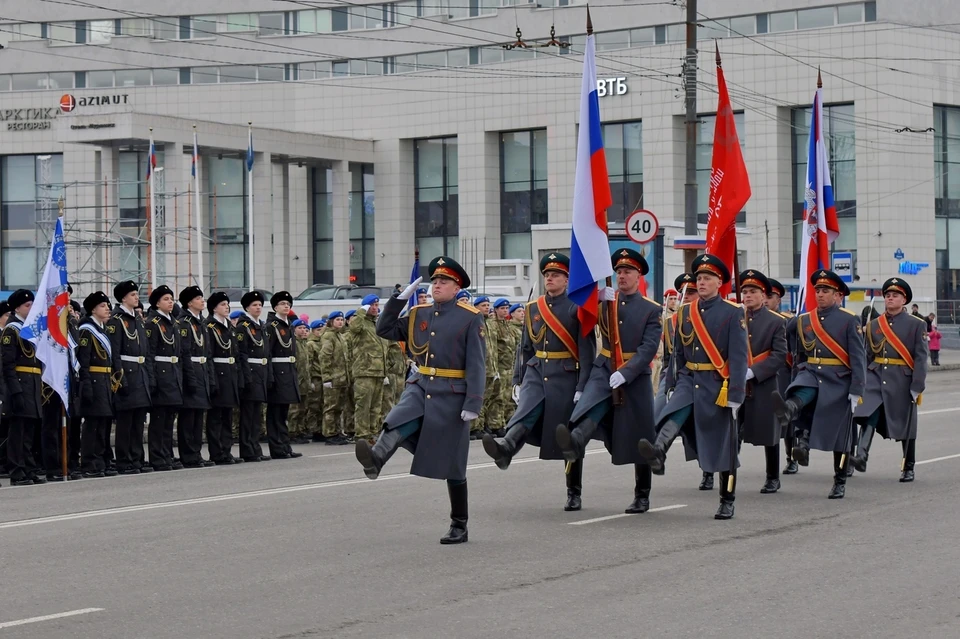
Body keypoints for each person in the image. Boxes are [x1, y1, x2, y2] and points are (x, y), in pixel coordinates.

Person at [356, 256, 485, 544]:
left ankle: (459, 524)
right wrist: (397, 300)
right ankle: (376, 459)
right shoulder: (419, 313)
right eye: (435, 280)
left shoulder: (469, 316)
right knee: (397, 420)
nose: (437, 285)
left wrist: (473, 403)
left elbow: (477, 363)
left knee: (454, 464)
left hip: (452, 392)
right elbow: (384, 330)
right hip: (420, 383)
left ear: (456, 287)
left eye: (444, 281)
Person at [638, 254, 748, 520]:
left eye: (707, 278)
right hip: (689, 378)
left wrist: (735, 394)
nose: (701, 282)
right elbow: (678, 353)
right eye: (699, 278)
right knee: (673, 413)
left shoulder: (733, 313)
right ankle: (658, 449)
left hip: (717, 383)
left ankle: (727, 499)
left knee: (724, 446)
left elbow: (739, 356)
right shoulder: (686, 312)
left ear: (719, 282)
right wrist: (673, 382)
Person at [482, 253, 595, 510]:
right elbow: (525, 348)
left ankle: (573, 491)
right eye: (547, 275)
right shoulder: (534, 307)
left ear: (567, 279)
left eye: (556, 275)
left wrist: (582, 386)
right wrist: (517, 379)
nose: (550, 279)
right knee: (526, 412)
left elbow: (587, 350)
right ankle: (506, 450)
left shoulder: (577, 307)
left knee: (567, 436)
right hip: (536, 371)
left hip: (566, 373)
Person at [554, 249, 661, 513]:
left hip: (634, 376)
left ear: (639, 276)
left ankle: (642, 495)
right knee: (584, 415)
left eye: (628, 272)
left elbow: (648, 348)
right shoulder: (605, 304)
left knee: (640, 435)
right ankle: (573, 487)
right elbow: (574, 316)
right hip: (603, 368)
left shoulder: (651, 310)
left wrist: (626, 372)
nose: (622, 276)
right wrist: (593, 298)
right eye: (619, 271)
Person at [772, 270, 866, 499]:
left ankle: (839, 480)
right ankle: (789, 409)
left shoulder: (849, 319)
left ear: (837, 295)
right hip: (811, 372)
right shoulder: (804, 319)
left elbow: (858, 357)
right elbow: (793, 344)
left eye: (826, 291)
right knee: (802, 389)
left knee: (840, 437)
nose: (821, 295)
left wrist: (857, 390)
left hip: (838, 379)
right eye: (818, 291)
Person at [851, 278, 928, 482]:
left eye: (895, 295)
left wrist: (917, 385)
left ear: (904, 300)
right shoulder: (875, 324)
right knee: (868, 412)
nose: (890, 298)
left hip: (902, 378)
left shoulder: (916, 324)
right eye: (887, 295)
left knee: (906, 424)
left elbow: (921, 358)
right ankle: (861, 455)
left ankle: (908, 466)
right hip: (876, 375)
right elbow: (867, 354)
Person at [728, 270, 787, 494]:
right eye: (744, 291)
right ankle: (730, 473)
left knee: (768, 433)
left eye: (753, 292)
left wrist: (754, 372)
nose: (748, 295)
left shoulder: (775, 322)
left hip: (763, 384)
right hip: (736, 384)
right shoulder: (735, 317)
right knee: (732, 430)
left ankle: (773, 476)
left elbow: (779, 355)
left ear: (764, 296)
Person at [1, 289, 47, 485]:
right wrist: (15, 391)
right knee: (18, 432)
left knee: (29, 432)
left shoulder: (30, 328)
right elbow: (7, 365)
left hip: (33, 383)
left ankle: (28, 467)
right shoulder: (12, 330)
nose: (31, 308)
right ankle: (17, 471)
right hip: (20, 384)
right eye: (27, 305)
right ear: (17, 308)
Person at [107, 281, 153, 475]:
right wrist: (120, 379)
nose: (136, 297)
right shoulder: (116, 320)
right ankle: (124, 460)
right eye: (133, 294)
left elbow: (146, 351)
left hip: (140, 373)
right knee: (126, 422)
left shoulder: (137, 319)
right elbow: (114, 353)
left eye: (136, 293)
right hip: (127, 373)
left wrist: (149, 377)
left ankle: (137, 458)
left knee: (138, 421)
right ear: (123, 298)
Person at [76, 292, 118, 478]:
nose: (107, 308)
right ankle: (89, 462)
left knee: (103, 423)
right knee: (92, 424)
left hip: (104, 382)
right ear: (93, 309)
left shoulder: (102, 329)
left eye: (107, 305)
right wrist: (86, 386)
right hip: (93, 381)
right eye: (103, 305)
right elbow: (83, 362)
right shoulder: (86, 330)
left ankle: (101, 460)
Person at [145, 285, 185, 471]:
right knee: (159, 419)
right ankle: (157, 456)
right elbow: (150, 353)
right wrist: (152, 379)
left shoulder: (173, 322)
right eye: (166, 299)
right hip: (161, 373)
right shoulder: (152, 323)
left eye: (171, 299)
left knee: (169, 418)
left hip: (173, 372)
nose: (171, 302)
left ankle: (167, 453)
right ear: (157, 303)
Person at [206, 291, 244, 464]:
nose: (227, 307)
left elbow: (235, 352)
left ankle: (226, 450)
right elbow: (209, 355)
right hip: (218, 373)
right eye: (222, 304)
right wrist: (212, 380)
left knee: (228, 415)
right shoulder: (209, 327)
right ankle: (216, 452)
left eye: (227, 304)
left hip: (230, 373)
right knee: (215, 418)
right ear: (214, 308)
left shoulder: (229, 326)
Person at [264, 292, 303, 459]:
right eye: (282, 303)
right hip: (277, 371)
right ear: (275, 307)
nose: (286, 306)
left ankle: (285, 445)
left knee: (283, 412)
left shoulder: (288, 325)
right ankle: (277, 447)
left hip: (287, 371)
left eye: (288, 303)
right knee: (275, 413)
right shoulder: (271, 326)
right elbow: (268, 353)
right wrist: (270, 376)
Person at [767, 277, 799, 475]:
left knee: (787, 420)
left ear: (778, 300)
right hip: (760, 375)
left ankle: (791, 457)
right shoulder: (747, 319)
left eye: (770, 296)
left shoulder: (789, 321)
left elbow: (795, 350)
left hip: (783, 373)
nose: (766, 300)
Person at [236, 291, 271, 462]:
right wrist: (246, 377)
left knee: (257, 414)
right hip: (250, 370)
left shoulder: (261, 326)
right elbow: (242, 353)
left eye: (260, 305)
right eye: (254, 305)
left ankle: (255, 447)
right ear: (247, 308)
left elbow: (266, 352)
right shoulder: (243, 327)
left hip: (261, 372)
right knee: (248, 414)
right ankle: (247, 449)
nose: (258, 308)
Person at [350, 294, 389, 444]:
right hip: (364, 371)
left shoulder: (376, 324)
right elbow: (354, 328)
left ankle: (373, 432)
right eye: (371, 305)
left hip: (379, 372)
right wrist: (361, 311)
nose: (375, 308)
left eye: (376, 305)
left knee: (376, 406)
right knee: (363, 405)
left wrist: (385, 370)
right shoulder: (360, 322)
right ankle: (361, 435)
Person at [319, 310, 350, 445]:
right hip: (333, 378)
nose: (340, 322)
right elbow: (325, 356)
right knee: (331, 407)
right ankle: (330, 434)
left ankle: (337, 431)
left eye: (341, 320)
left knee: (339, 407)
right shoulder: (328, 336)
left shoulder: (340, 336)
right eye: (337, 319)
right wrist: (326, 377)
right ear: (331, 322)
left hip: (342, 378)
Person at [473, 296, 501, 439]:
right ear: (476, 307)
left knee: (489, 398)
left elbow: (494, 347)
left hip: (492, 367)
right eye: (483, 305)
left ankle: (484, 425)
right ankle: (474, 428)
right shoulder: (474, 322)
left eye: (487, 305)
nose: (487, 307)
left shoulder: (490, 324)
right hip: (480, 367)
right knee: (479, 398)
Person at [492, 297, 516, 436]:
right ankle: (496, 424)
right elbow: (493, 347)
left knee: (509, 397)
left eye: (506, 308)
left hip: (509, 366)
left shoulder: (507, 325)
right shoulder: (494, 325)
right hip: (500, 366)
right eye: (502, 308)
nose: (505, 310)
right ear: (496, 310)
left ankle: (506, 421)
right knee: (498, 397)